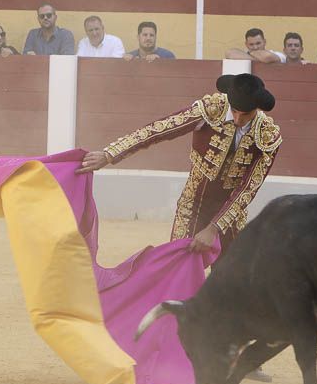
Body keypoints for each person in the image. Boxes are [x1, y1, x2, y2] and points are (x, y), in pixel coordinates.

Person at [77, 72, 282, 259]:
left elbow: (247, 189)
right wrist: (110, 153)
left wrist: (213, 228)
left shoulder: (267, 134)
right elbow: (158, 131)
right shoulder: (211, 109)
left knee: (232, 277)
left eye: (245, 115)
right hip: (193, 202)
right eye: (234, 111)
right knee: (177, 269)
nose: (237, 119)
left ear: (257, 109)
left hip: (230, 211)